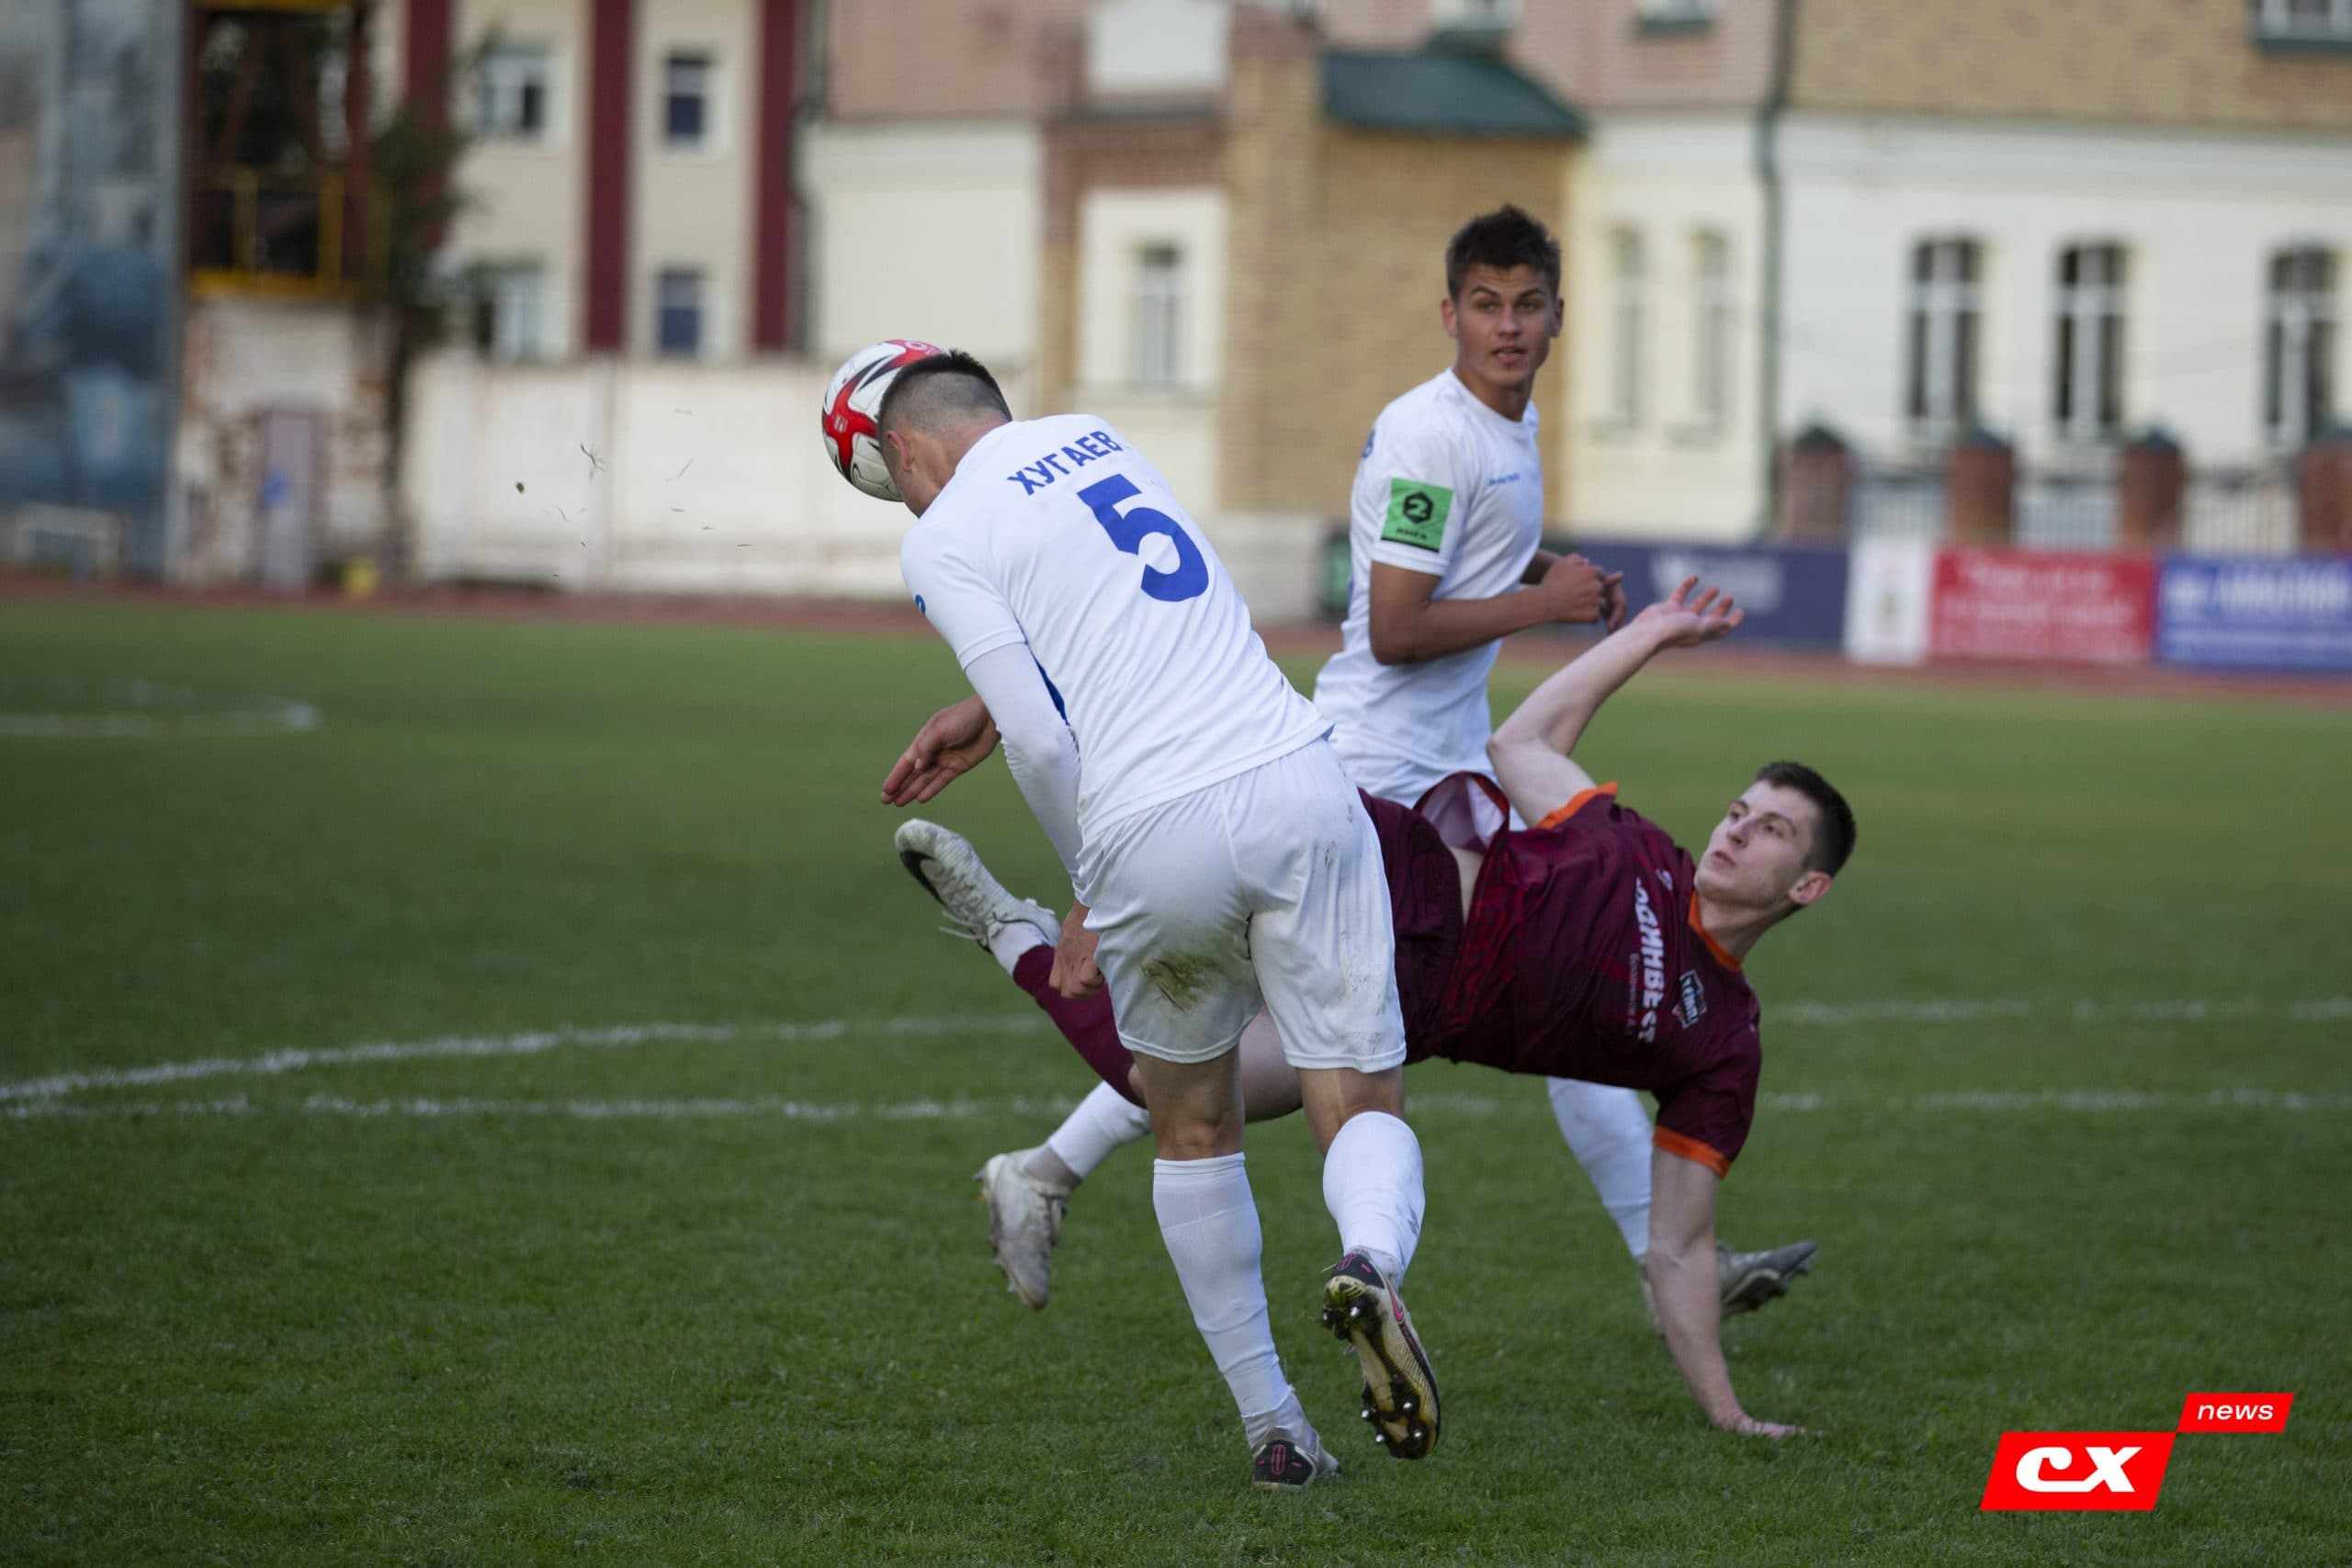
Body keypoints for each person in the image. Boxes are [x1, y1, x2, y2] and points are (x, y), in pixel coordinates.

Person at [925, 205, 1810, 1322]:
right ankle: (1047, 1169)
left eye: (1526, 305)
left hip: (1443, 767)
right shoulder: (1430, 436)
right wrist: (1547, 601)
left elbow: (1436, 560)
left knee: (1584, 1003)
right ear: (1448, 313)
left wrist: (1535, 567)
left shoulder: (1506, 429)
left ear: (1557, 319)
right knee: (1272, 1030)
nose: (1505, 326)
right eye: (1484, 305)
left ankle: (1664, 1257)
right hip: (1372, 771)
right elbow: (1395, 624)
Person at [895, 579, 1855, 1438]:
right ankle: (1057, 742)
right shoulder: (1636, 846)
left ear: (1805, 889)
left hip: (1406, 1005)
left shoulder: (1723, 1044)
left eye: (1770, 832)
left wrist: (1728, 1416)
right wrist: (1644, 633)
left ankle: (1005, 931)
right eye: (1738, 811)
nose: (1735, 833)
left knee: (1152, 1081)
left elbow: (1681, 1245)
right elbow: (1520, 740)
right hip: (1383, 872)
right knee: (1194, 876)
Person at [875, 349, 1438, 1490]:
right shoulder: (1098, 439)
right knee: (1359, 1099)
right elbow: (1128, 612)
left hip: (1153, 832)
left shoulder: (938, 533)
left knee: (1190, 1129)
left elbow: (1041, 740)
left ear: (908, 453)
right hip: (1293, 781)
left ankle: (1275, 1432)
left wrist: (1089, 883)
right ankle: (1370, 1263)